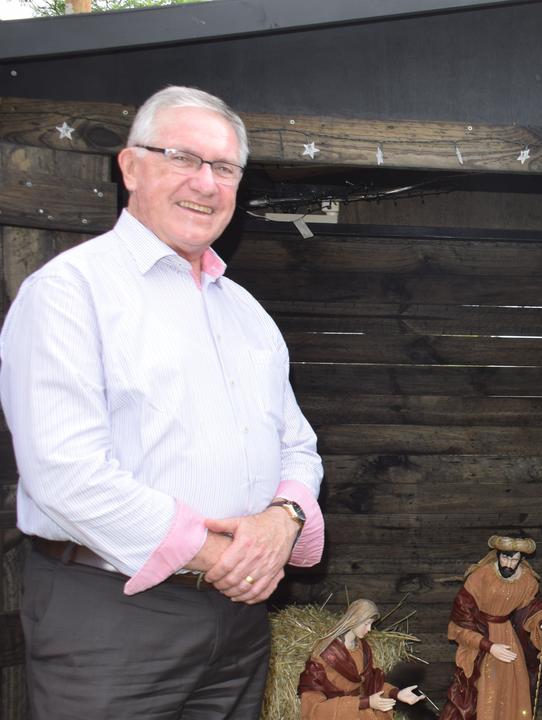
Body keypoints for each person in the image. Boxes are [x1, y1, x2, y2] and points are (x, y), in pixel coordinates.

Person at [1, 85, 325, 719]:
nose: (205, 183)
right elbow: (65, 474)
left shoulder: (248, 313)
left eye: (225, 167)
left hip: (236, 617)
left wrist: (282, 520)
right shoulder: (70, 293)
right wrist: (226, 557)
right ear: (130, 167)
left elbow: (299, 446)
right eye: (182, 157)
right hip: (109, 612)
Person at [440, 535, 542, 720]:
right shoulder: (480, 577)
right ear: (497, 554)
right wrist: (489, 647)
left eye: (514, 559)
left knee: (514, 687)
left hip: (509, 639)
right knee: (487, 690)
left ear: (521, 559)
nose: (509, 564)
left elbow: (532, 608)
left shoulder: (527, 580)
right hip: (483, 639)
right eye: (505, 557)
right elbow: (460, 623)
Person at [298, 598, 425, 719]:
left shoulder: (362, 648)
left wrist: (397, 694)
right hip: (337, 714)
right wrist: (365, 702)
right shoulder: (324, 653)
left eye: (371, 624)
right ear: (353, 619)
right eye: (366, 623)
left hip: (360, 711)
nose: (369, 629)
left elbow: (371, 683)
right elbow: (312, 707)